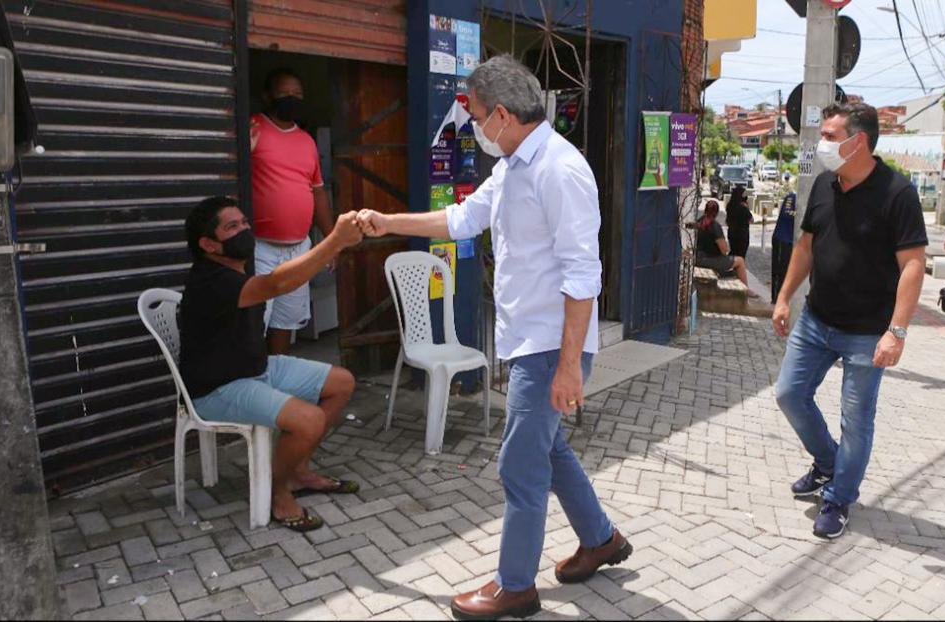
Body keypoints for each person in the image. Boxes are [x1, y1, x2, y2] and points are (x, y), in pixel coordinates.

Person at [357, 55, 630, 621]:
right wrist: (389, 223)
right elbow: (461, 220)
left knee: (519, 464)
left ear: (502, 114)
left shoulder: (560, 168)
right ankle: (601, 539)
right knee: (547, 452)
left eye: (477, 116)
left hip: (551, 346)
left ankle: (515, 586)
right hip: (530, 340)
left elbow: (584, 275)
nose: (474, 126)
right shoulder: (511, 166)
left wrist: (571, 365)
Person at [773, 103, 927, 539]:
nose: (822, 144)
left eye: (829, 135)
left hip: (867, 333)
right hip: (817, 320)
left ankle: (839, 497)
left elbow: (913, 264)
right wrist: (785, 298)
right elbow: (805, 245)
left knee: (856, 420)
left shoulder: (897, 193)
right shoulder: (825, 184)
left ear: (857, 141)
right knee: (788, 393)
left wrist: (896, 332)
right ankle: (826, 462)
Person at [179, 197, 364, 532]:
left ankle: (297, 472)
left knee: (342, 382)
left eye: (244, 223)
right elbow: (278, 283)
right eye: (231, 227)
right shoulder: (212, 281)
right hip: (217, 387)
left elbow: (275, 282)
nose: (244, 231)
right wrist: (334, 241)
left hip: (255, 368)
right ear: (208, 244)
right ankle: (278, 494)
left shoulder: (234, 268)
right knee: (309, 420)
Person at [250, 68, 336, 355]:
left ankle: (275, 379)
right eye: (285, 93)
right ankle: (252, 386)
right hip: (260, 248)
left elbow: (318, 192)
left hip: (299, 250)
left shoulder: (306, 141)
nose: (291, 99)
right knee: (253, 323)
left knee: (284, 323)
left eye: (297, 95)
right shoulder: (253, 129)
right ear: (267, 96)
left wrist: (330, 240)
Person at [694, 200, 759, 298]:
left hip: (697, 258)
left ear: (705, 210)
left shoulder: (698, 222)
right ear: (716, 213)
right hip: (710, 259)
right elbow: (724, 250)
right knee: (740, 261)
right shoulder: (715, 226)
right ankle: (746, 290)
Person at [770, 192, 797, 303]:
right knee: (779, 269)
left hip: (792, 241)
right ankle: (776, 298)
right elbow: (786, 213)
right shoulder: (792, 197)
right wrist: (801, 214)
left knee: (788, 271)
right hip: (782, 238)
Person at [725, 185, 754, 259]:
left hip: (732, 233)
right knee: (741, 255)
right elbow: (751, 220)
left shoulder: (729, 206)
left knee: (733, 252)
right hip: (742, 234)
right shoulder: (743, 208)